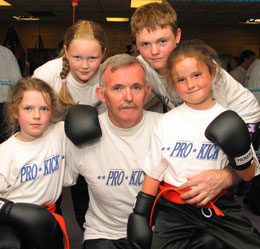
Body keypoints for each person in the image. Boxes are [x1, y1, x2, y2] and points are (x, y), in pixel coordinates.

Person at [127, 39, 260, 249]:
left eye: (197, 75)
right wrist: (140, 213)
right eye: (181, 79)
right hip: (174, 209)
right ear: (172, 83)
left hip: (219, 204)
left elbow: (247, 174)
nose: (190, 85)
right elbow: (154, 172)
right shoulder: (167, 122)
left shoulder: (231, 120)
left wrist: (240, 152)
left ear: (213, 74)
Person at [130, 1, 260, 206]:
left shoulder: (198, 70)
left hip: (238, 116)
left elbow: (223, 122)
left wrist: (226, 176)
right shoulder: (143, 66)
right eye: (145, 44)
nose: (154, 51)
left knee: (219, 175)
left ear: (178, 36)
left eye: (162, 41)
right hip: (200, 117)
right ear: (136, 44)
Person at [64, 54, 163, 249]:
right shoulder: (83, 135)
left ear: (147, 91)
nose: (128, 97)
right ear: (102, 94)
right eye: (117, 88)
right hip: (104, 234)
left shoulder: (166, 128)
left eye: (136, 87)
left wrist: (225, 176)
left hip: (159, 230)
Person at [33, 19, 107, 229]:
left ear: (104, 54)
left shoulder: (106, 76)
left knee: (87, 208)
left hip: (87, 146)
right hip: (50, 146)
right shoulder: (46, 75)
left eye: (93, 58)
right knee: (48, 207)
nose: (84, 65)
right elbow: (31, 121)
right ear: (65, 51)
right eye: (77, 57)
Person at [0, 77, 67, 249]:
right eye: (28, 109)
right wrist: (8, 211)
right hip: (17, 226)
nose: (36, 116)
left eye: (44, 109)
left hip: (51, 220)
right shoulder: (6, 152)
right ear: (15, 111)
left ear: (52, 111)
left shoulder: (59, 133)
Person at [0, 45, 22, 143]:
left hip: (5, 108)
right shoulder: (5, 53)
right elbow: (17, 84)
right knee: (7, 143)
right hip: (5, 108)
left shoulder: (6, 53)